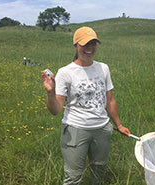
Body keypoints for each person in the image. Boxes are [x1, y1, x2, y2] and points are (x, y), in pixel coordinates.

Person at [41, 26, 130, 185]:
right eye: (85, 44)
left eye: (93, 43)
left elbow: (109, 99)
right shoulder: (65, 72)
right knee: (73, 177)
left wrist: (119, 124)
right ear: (75, 46)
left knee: (99, 171)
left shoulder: (103, 68)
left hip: (102, 129)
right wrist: (50, 93)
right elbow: (55, 110)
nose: (90, 48)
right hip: (76, 129)